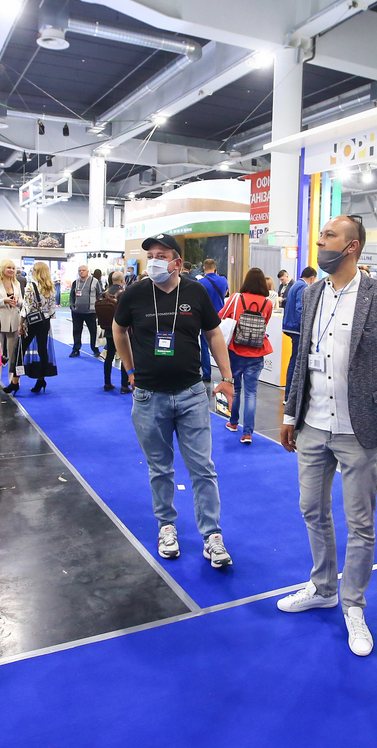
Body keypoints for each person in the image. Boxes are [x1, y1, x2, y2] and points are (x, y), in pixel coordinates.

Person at [277, 215, 377, 659]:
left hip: (360, 429)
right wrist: (289, 412)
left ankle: (353, 604)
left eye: (328, 236)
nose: (320, 242)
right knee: (311, 509)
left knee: (360, 523)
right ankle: (323, 587)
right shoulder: (311, 293)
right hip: (312, 424)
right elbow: (302, 358)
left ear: (352, 247)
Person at [113, 234, 237, 568]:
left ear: (177, 263)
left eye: (161, 255)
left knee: (203, 469)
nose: (153, 261)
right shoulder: (135, 293)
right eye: (150, 255)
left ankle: (212, 536)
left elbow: (213, 333)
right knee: (160, 468)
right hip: (148, 396)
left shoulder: (195, 292)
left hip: (191, 394)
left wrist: (226, 377)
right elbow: (118, 329)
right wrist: (129, 369)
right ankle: (166, 526)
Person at [220, 268, 274, 444]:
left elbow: (221, 316)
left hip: (236, 350)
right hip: (257, 352)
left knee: (235, 389)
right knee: (251, 393)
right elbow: (265, 324)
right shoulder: (268, 303)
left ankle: (233, 422)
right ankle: (248, 433)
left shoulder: (236, 298)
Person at [21, 262, 59, 394]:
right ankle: (41, 378)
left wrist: (21, 323)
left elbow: (26, 306)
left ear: (36, 271)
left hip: (32, 321)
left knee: (21, 348)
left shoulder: (31, 286)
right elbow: (52, 308)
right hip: (45, 321)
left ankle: (15, 379)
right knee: (42, 349)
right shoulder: (50, 287)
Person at [282, 267, 317, 401]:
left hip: (291, 326)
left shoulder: (296, 285)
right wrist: (306, 326)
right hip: (297, 328)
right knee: (296, 362)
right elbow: (300, 308)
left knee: (294, 360)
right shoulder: (303, 287)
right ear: (312, 278)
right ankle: (290, 396)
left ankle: (290, 395)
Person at [195, 259, 229, 384]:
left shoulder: (201, 283)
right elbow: (226, 292)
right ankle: (226, 374)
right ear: (215, 267)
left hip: (205, 316)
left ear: (204, 268)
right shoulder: (223, 280)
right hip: (220, 315)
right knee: (222, 344)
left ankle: (206, 373)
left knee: (205, 345)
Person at [0, 259, 24, 394]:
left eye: (13, 268)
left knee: (13, 353)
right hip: (0, 320)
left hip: (14, 320)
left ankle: (13, 381)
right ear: (2, 269)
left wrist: (17, 301)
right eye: (9, 268)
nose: (11, 270)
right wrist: (4, 300)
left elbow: (22, 301)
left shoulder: (17, 283)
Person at [98, 271, 129, 393]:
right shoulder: (124, 294)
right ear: (122, 280)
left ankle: (107, 383)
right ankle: (124, 385)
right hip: (122, 330)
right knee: (124, 356)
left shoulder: (104, 293)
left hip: (108, 329)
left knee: (109, 356)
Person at [69, 264, 104, 358]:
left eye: (83, 270)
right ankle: (76, 350)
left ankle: (95, 349)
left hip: (91, 312)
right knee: (76, 331)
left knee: (93, 331)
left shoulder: (95, 282)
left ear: (87, 271)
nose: (81, 272)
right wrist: (72, 306)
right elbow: (72, 295)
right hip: (77, 312)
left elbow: (100, 295)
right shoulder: (75, 282)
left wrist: (98, 308)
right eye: (79, 270)